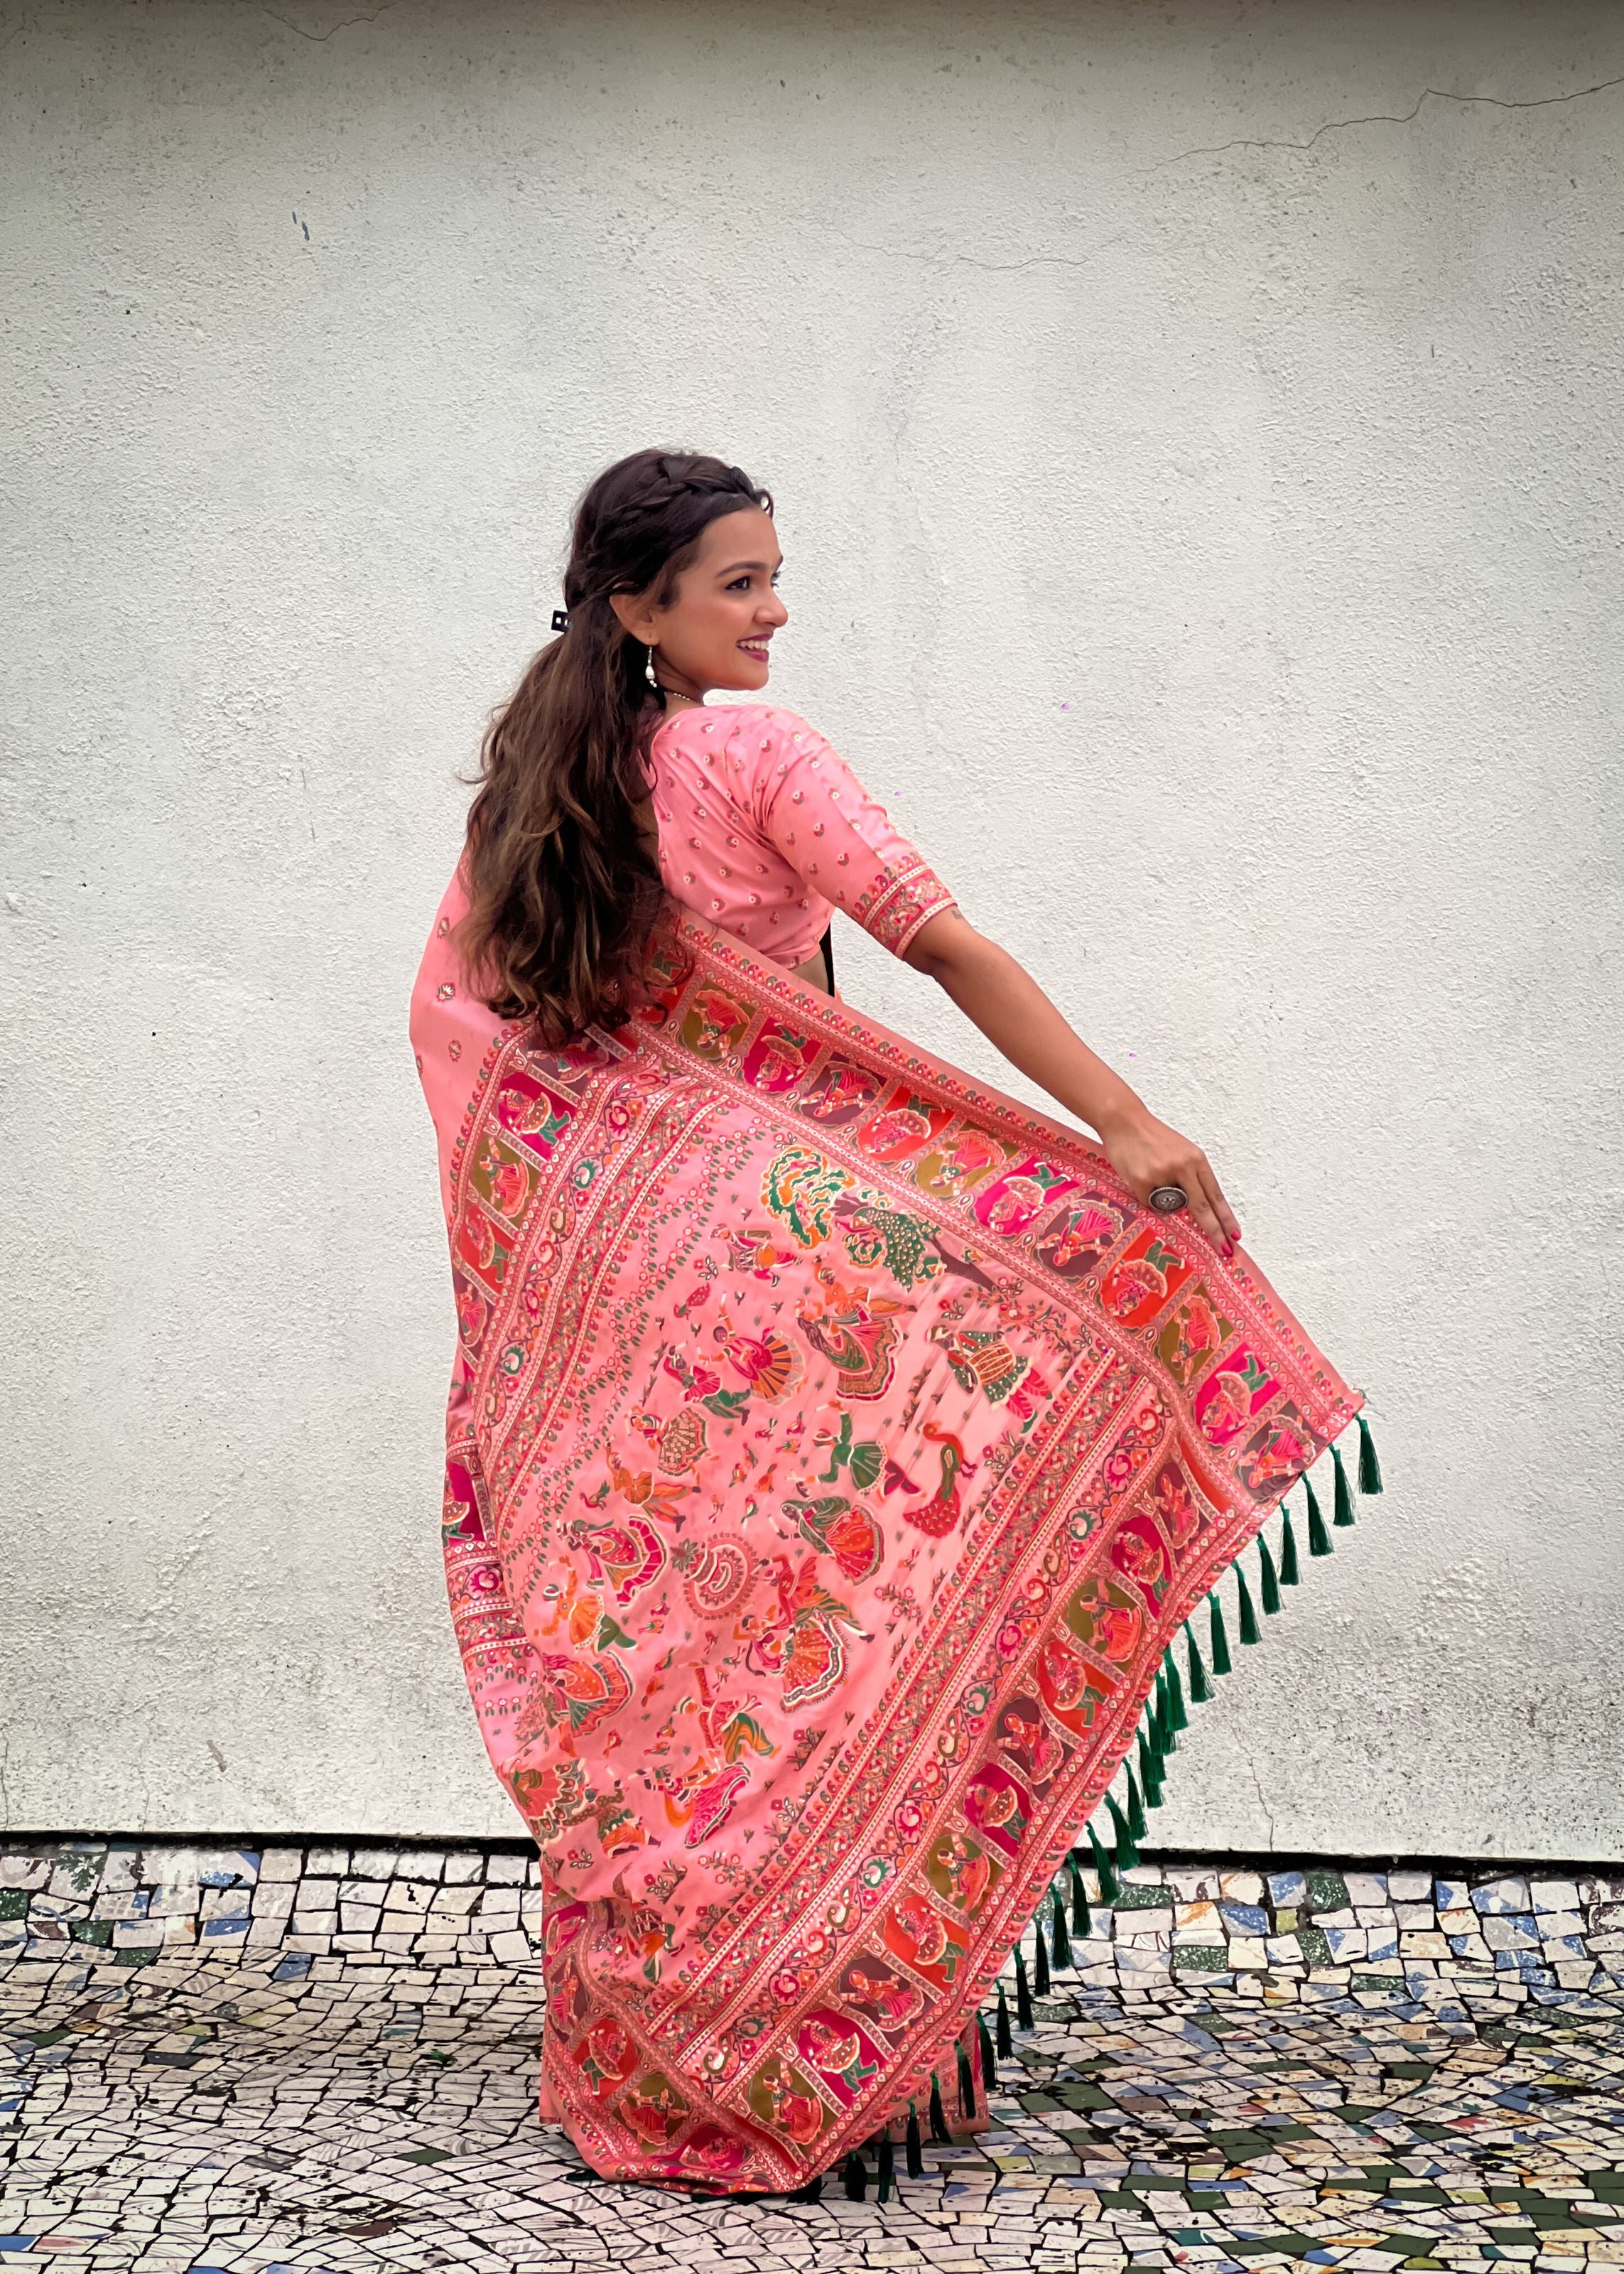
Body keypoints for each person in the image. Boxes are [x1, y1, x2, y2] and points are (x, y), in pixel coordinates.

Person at [411, 449, 1370, 2199]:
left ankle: (692, 2053)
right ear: (642, 608)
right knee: (837, 1650)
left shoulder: (537, 781)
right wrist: (1127, 1127)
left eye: (778, 576)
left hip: (640, 1314)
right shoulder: (759, 752)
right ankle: (844, 2047)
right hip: (776, 1294)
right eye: (740, 584)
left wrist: (529, 1312)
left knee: (675, 1674)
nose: (775, 611)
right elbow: (942, 946)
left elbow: (488, 1060)